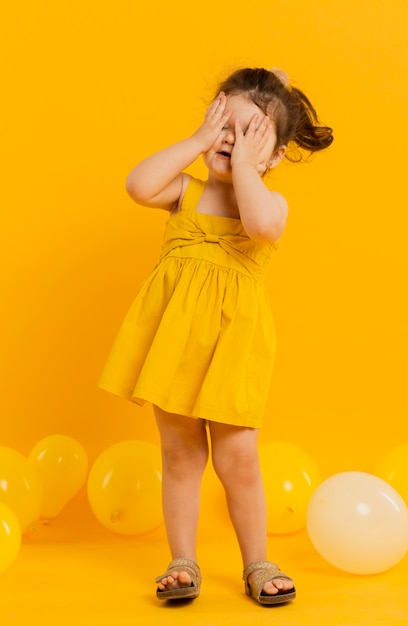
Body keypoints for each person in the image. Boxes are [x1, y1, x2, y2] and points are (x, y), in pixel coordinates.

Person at [99, 67, 333, 605]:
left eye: (251, 135)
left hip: (234, 349)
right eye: (227, 127)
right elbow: (138, 185)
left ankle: (257, 561)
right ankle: (183, 561)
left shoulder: (268, 205)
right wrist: (201, 140)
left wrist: (247, 167)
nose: (232, 142)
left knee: (238, 460)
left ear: (274, 158)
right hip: (175, 348)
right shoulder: (186, 192)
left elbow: (261, 227)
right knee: (180, 455)